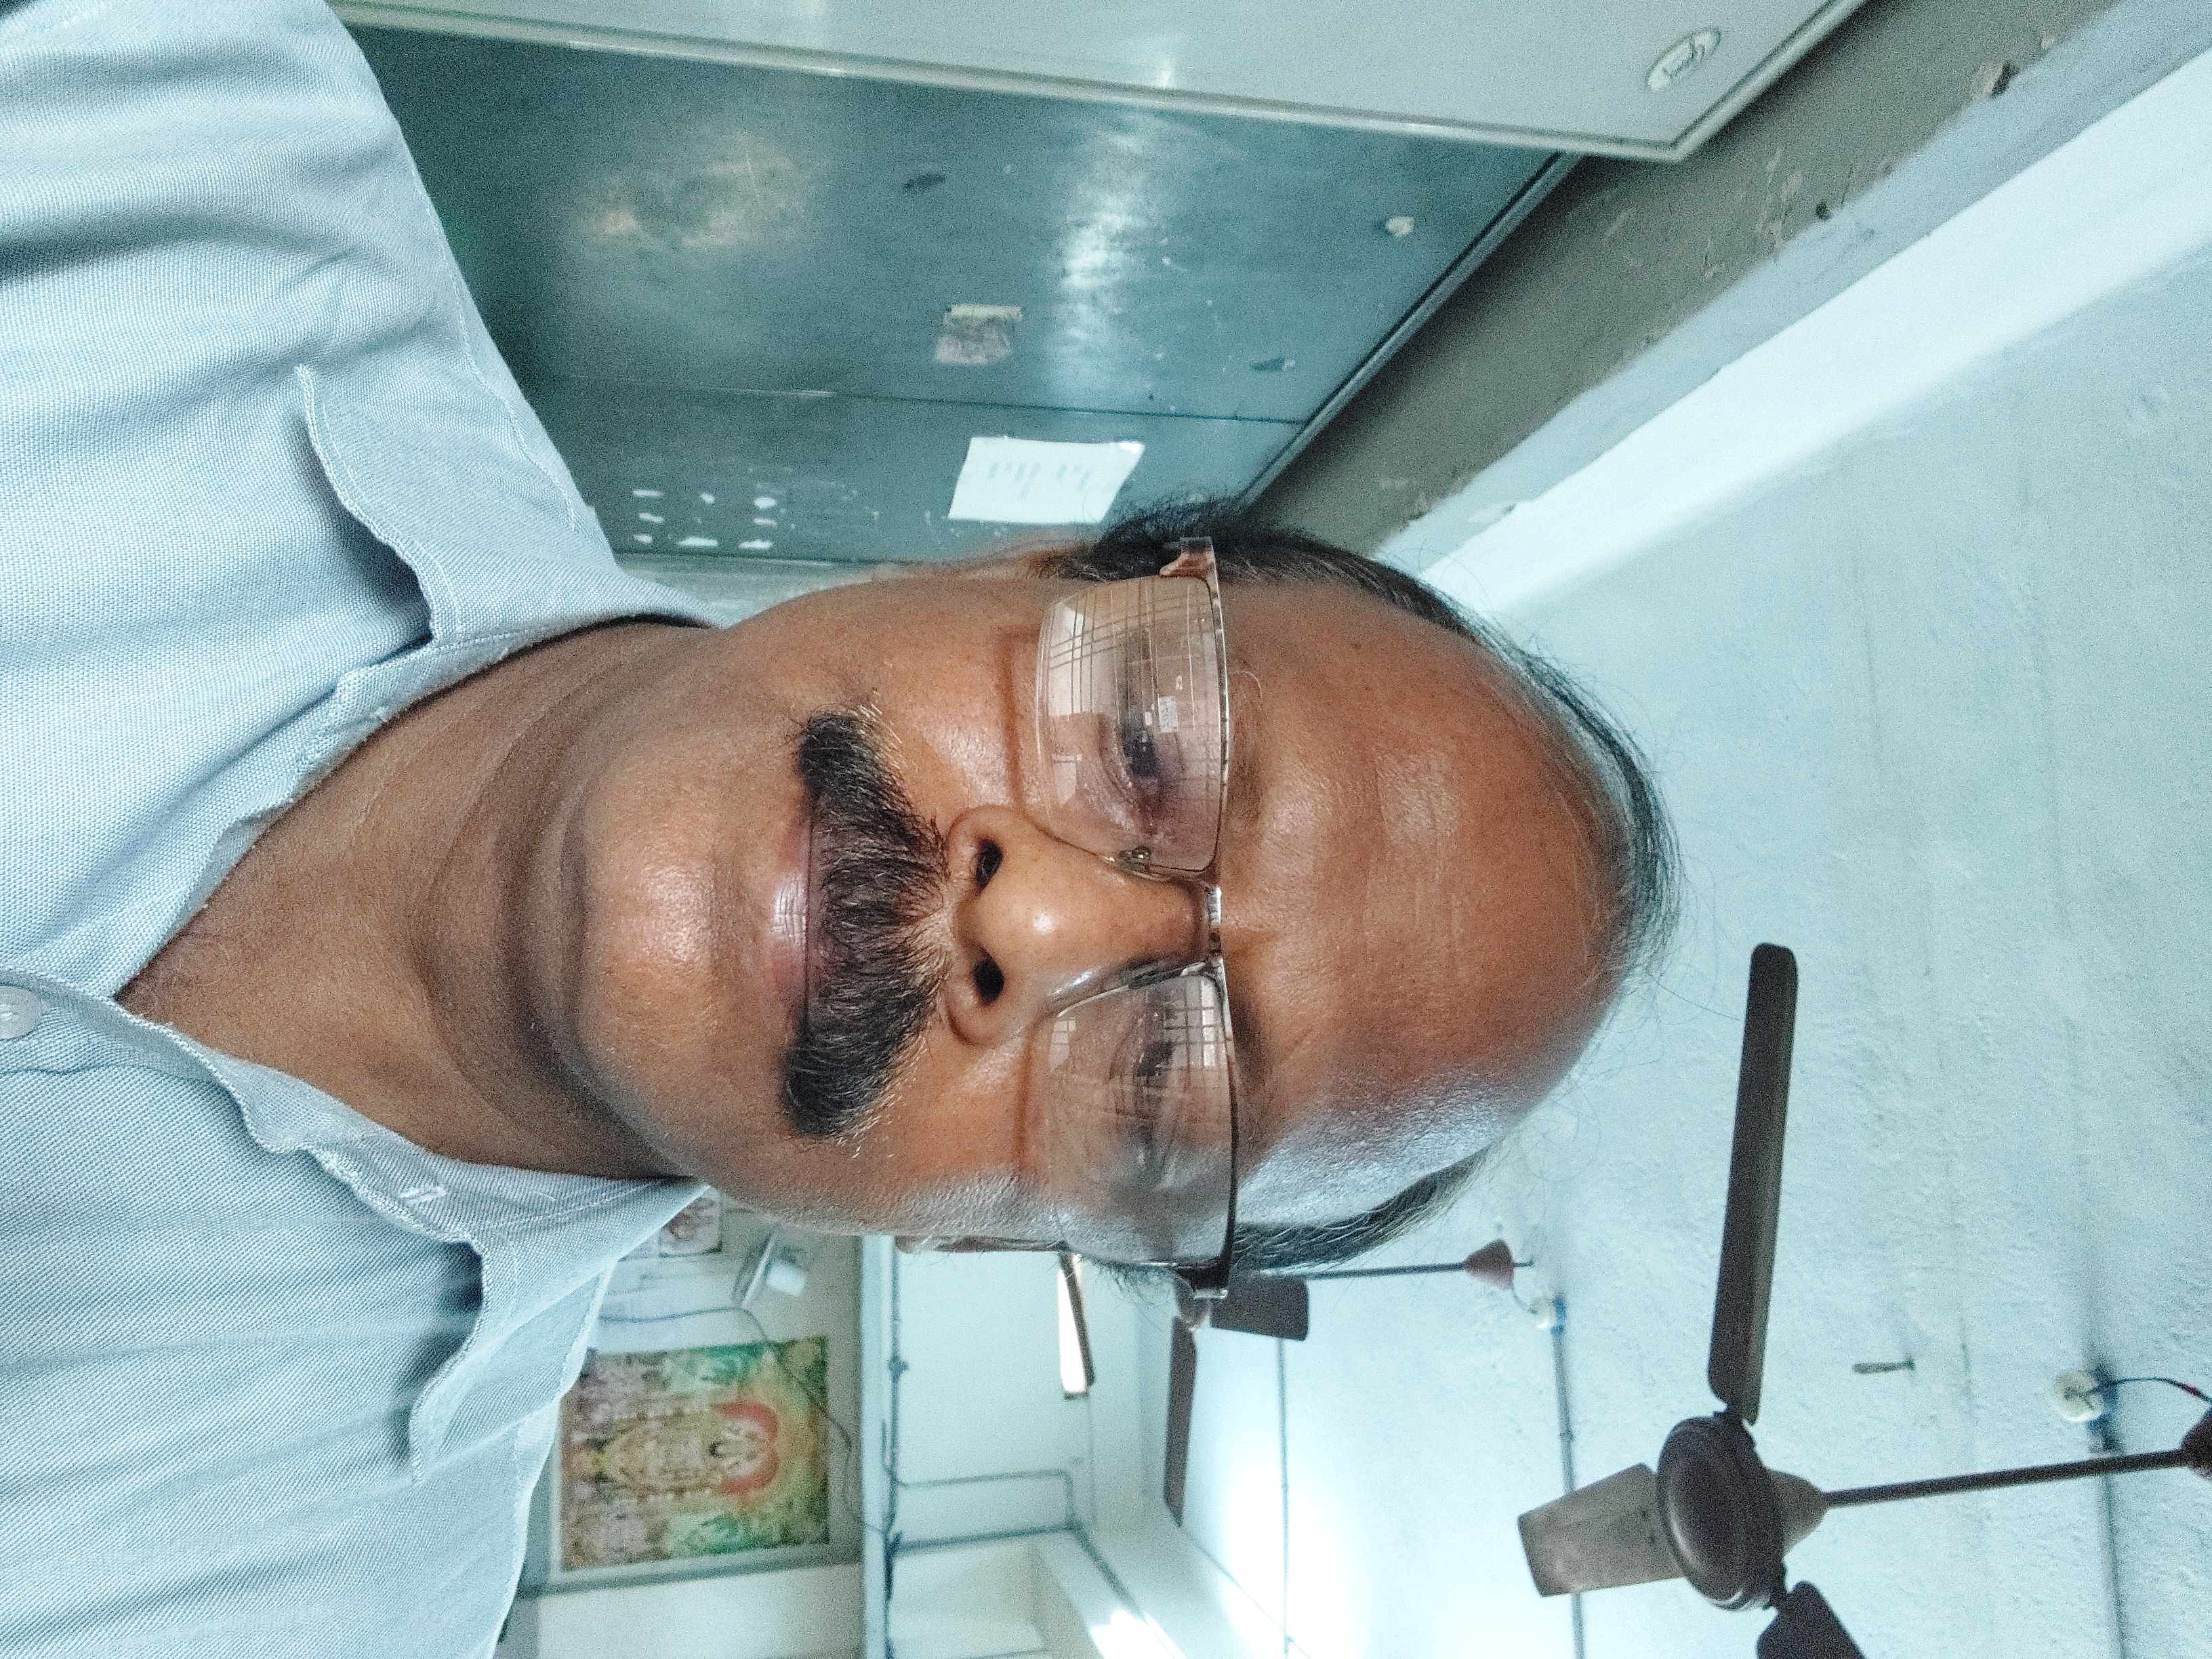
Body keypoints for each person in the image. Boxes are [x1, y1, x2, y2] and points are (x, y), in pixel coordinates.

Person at [0, 1, 1673, 1654]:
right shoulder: (147, 112)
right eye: (1147, 748)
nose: (1042, 923)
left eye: (1162, 1088)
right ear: (1006, 568)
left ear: (982, 1238)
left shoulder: (308, 1612)